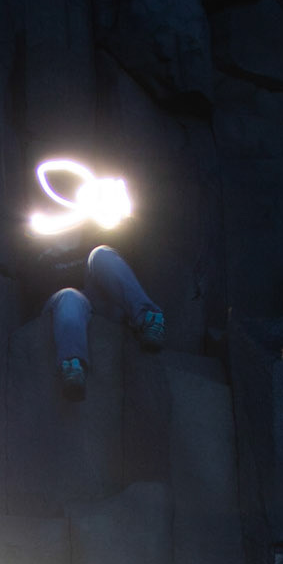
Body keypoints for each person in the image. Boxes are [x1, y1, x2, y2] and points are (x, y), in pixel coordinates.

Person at [22, 168, 166, 398]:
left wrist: (120, 206)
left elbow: (131, 253)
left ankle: (149, 319)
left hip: (102, 304)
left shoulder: (97, 235)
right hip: (67, 307)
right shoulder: (38, 258)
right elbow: (32, 297)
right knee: (69, 295)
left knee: (101, 254)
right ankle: (72, 367)